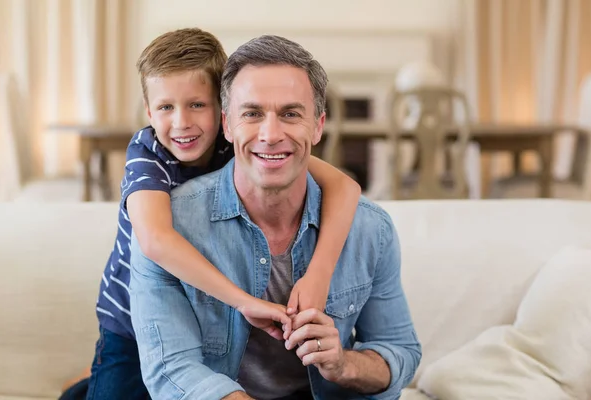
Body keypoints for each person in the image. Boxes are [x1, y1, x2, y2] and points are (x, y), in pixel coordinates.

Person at [59, 28, 361, 400]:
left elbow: (346, 188)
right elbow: (155, 241)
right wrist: (242, 300)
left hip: (201, 319)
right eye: (166, 107)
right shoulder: (148, 153)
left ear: (223, 109)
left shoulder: (240, 142)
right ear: (149, 111)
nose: (182, 122)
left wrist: (319, 275)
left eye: (196, 104)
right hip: (133, 326)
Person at [130, 34, 421, 400]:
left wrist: (344, 364)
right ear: (227, 124)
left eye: (290, 114)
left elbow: (401, 352)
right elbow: (172, 370)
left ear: (318, 126)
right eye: (252, 114)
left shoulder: (370, 230)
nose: (270, 135)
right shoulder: (167, 223)